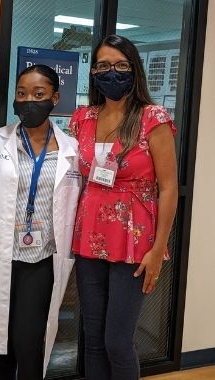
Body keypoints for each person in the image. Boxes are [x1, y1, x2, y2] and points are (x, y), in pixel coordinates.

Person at [69, 35, 178, 380]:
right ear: (93, 71)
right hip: (89, 238)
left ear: (134, 69)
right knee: (93, 340)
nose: (111, 72)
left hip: (134, 241)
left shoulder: (152, 118)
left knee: (117, 341)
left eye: (120, 65)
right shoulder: (83, 117)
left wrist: (158, 249)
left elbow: (169, 187)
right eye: (102, 65)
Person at [0, 64, 81, 380]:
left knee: (28, 343)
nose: (28, 100)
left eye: (38, 94)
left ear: (55, 98)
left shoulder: (71, 150)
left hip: (40, 260)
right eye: (22, 93)